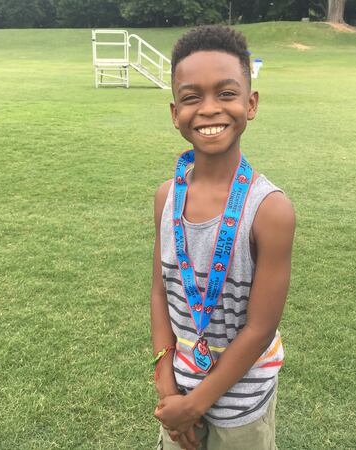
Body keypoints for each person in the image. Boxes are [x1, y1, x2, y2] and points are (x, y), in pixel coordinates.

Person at [150, 25, 295, 450]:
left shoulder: (269, 210)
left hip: (240, 407)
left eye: (226, 94)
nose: (209, 109)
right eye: (192, 97)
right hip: (177, 391)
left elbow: (261, 328)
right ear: (175, 112)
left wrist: (195, 404)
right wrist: (167, 389)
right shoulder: (166, 197)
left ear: (250, 104)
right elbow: (161, 292)